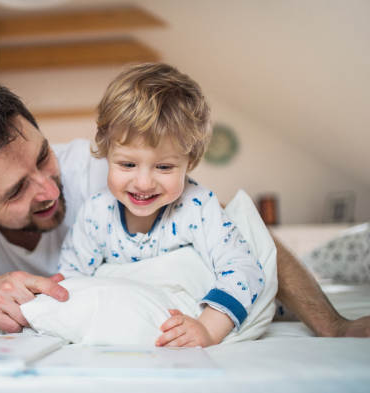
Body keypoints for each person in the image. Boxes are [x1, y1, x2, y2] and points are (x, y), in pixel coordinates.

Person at [0, 77, 370, 339]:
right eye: (16, 191)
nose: (49, 189)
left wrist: (334, 326)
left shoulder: (106, 173)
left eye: (43, 156)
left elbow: (246, 240)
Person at [56, 63, 264, 348]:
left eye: (164, 167)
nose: (143, 183)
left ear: (189, 162)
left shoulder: (198, 206)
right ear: (106, 153)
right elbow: (69, 281)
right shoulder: (95, 212)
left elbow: (244, 269)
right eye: (127, 164)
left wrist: (207, 329)